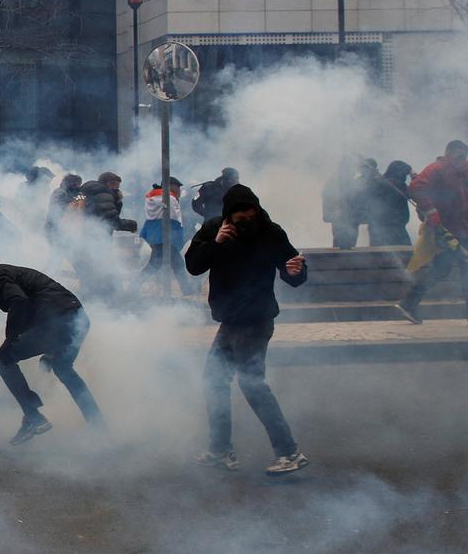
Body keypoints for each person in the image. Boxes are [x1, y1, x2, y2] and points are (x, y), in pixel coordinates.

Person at [185, 183, 309, 476]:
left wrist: (297, 273)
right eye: (238, 212)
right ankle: (221, 449)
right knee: (214, 380)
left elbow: (292, 269)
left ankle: (289, 452)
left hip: (256, 319)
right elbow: (192, 266)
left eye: (248, 210)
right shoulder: (215, 228)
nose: (244, 216)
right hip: (229, 321)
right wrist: (215, 244)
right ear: (228, 214)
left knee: (252, 383)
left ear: (256, 208)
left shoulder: (270, 232)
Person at [0, 251, 103, 445]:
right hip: (77, 320)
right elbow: (32, 309)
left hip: (60, 323)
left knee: (2, 359)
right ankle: (99, 425)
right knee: (63, 368)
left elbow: (19, 302)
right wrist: (51, 347)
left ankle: (34, 417)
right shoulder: (6, 273)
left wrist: (10, 340)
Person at [396, 141, 468, 326]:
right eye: (459, 155)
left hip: (463, 229)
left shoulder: (463, 173)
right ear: (450, 152)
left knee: (442, 269)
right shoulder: (437, 168)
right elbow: (416, 187)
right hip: (449, 230)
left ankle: (409, 303)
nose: (462, 159)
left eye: (464, 156)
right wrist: (431, 212)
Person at [141, 177, 194, 295]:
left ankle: (187, 290)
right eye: (177, 187)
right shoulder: (167, 198)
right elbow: (174, 219)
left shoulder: (156, 197)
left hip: (156, 236)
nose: (179, 190)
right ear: (170, 186)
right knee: (175, 263)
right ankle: (187, 290)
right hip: (162, 237)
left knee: (157, 264)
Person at [366, 160, 413, 247]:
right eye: (405, 174)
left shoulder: (379, 182)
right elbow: (413, 194)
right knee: (404, 254)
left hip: (376, 228)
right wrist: (415, 178)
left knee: (379, 256)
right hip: (396, 229)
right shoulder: (397, 184)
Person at [322, 157, 365, 249]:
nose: (355, 172)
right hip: (342, 219)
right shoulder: (337, 181)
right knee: (342, 245)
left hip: (348, 218)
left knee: (347, 245)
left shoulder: (343, 180)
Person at [44, 174, 84, 242]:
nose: (79, 186)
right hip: (55, 227)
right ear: (73, 184)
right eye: (78, 184)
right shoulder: (60, 192)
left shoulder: (74, 193)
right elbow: (57, 208)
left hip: (58, 227)